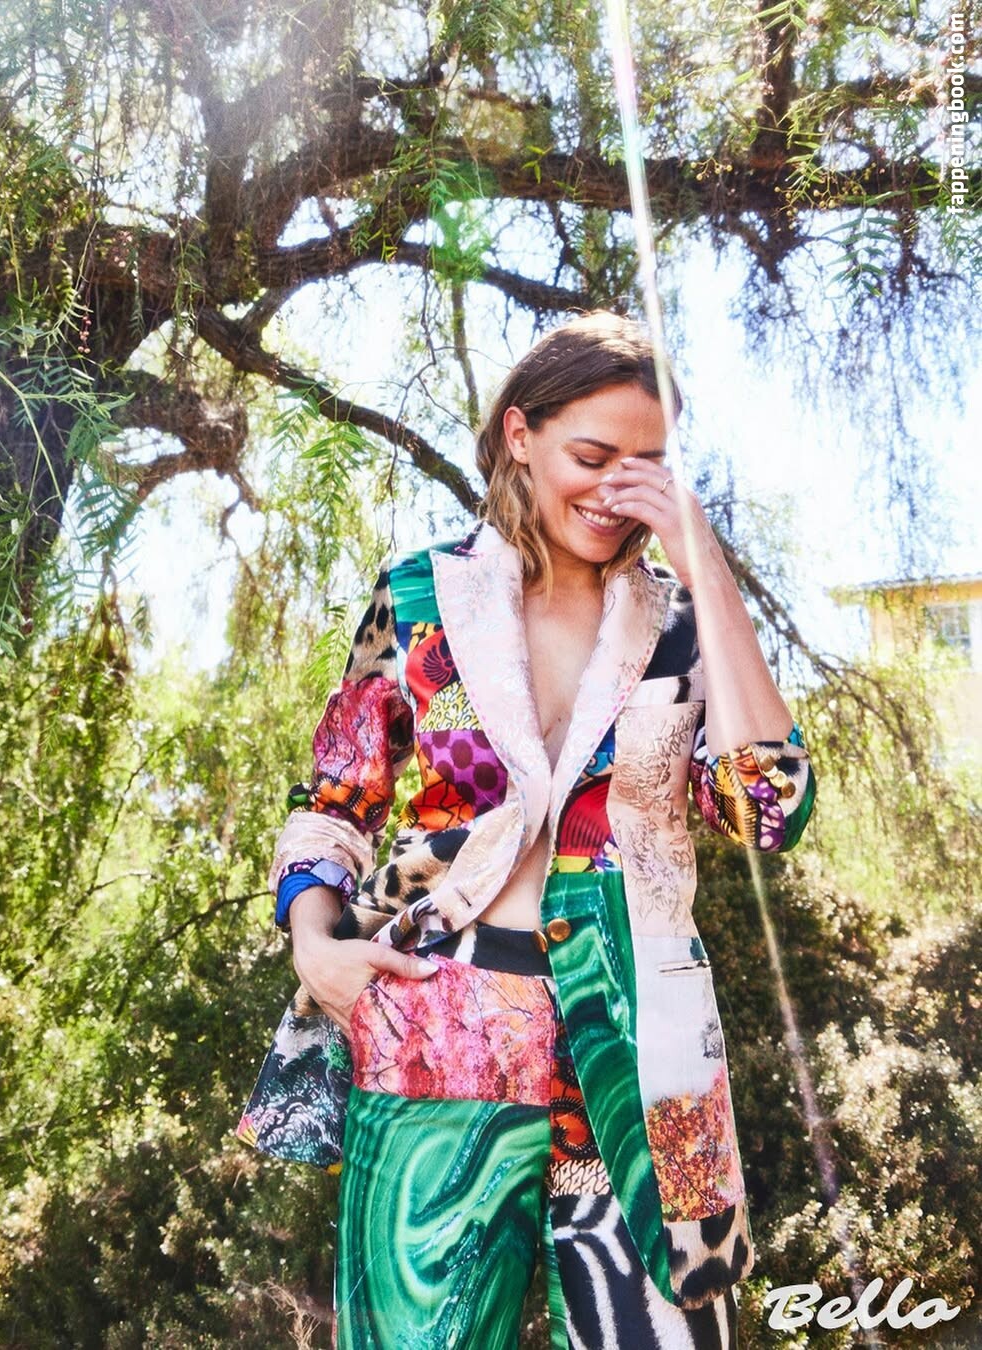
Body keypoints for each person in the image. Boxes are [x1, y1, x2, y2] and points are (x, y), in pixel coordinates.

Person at [238, 312, 816, 1349]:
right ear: (520, 435)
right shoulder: (418, 595)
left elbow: (769, 808)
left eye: (645, 467)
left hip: (646, 1043)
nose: (614, 491)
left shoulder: (684, 629)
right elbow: (334, 799)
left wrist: (710, 573)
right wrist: (315, 944)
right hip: (434, 1021)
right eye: (590, 457)